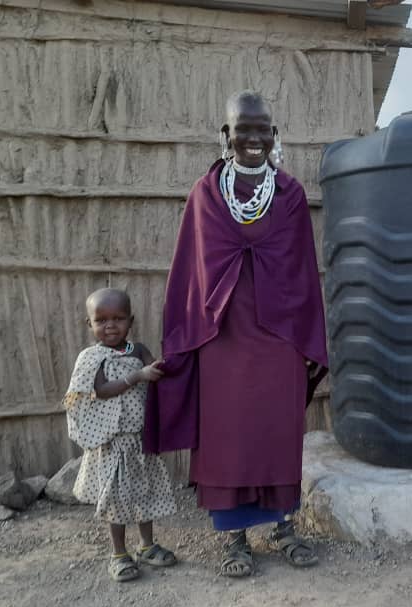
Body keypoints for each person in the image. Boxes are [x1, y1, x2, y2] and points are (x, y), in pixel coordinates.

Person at [144, 91, 327, 577]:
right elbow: (191, 271)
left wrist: (307, 337)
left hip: (279, 334)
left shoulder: (288, 196)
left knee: (277, 431)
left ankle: (284, 529)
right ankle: (234, 538)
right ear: (226, 136)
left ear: (274, 134)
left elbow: (304, 272)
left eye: (261, 128)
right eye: (242, 129)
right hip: (222, 336)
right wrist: (187, 336)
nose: (252, 138)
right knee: (228, 435)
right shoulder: (206, 195)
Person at [65, 288, 178, 582]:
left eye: (118, 318)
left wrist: (167, 362)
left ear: (131, 320)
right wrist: (137, 376)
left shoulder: (137, 351)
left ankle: (147, 546)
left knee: (144, 493)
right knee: (116, 499)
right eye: (101, 320)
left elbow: (157, 369)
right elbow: (100, 391)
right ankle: (118, 554)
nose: (110, 325)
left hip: (140, 440)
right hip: (113, 443)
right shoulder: (93, 358)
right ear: (88, 324)